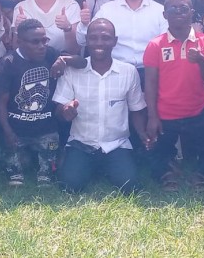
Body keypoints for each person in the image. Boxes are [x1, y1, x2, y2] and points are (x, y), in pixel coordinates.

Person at [54, 18, 147, 194]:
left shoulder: (128, 72)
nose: (99, 43)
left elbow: (136, 109)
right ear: (86, 40)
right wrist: (66, 111)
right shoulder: (72, 70)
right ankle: (88, 167)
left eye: (105, 38)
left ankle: (106, 167)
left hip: (116, 144)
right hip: (81, 143)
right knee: (70, 186)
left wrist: (143, 134)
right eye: (93, 38)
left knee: (129, 186)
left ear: (115, 41)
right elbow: (59, 109)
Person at [0, 19, 86, 187]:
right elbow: (0, 102)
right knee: (16, 171)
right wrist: (7, 131)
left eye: (44, 40)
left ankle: (45, 166)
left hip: (46, 129)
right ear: (19, 42)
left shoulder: (50, 54)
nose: (41, 46)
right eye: (35, 42)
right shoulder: (8, 62)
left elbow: (82, 62)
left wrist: (65, 60)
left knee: (47, 173)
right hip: (16, 129)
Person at [145, 0, 204, 192]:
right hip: (166, 113)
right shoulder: (155, 45)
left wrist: (201, 59)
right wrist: (152, 116)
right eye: (173, 8)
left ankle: (201, 174)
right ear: (164, 14)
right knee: (157, 155)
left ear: (192, 13)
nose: (178, 12)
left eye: (183, 8)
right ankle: (168, 174)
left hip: (197, 110)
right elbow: (150, 82)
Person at [77, 0, 167, 85]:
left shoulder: (160, 11)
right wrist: (84, 24)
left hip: (152, 74)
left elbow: (167, 48)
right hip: (116, 74)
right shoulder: (107, 10)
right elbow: (82, 41)